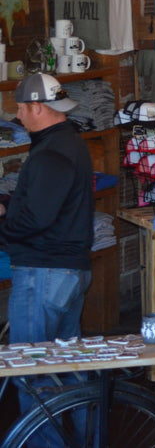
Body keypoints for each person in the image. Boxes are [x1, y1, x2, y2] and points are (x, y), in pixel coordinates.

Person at [0, 73, 94, 415]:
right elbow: (50, 202)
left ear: (37, 107)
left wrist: (3, 230)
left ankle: (45, 440)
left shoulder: (50, 153)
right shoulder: (69, 142)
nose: (18, 116)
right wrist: (8, 204)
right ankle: (86, 436)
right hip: (67, 271)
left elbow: (36, 220)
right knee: (69, 369)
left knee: (33, 373)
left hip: (44, 273)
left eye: (21, 108)